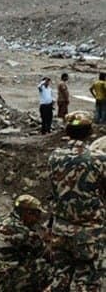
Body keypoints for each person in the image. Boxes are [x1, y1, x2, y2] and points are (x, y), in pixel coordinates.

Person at [46, 111, 105, 291]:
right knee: (87, 279)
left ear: (67, 131)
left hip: (60, 228)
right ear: (90, 132)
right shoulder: (99, 159)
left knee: (60, 276)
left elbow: (54, 190)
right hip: (89, 233)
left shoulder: (54, 157)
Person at [0, 194, 49, 292]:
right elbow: (47, 254)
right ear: (28, 213)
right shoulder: (23, 231)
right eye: (37, 215)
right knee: (48, 267)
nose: (38, 220)